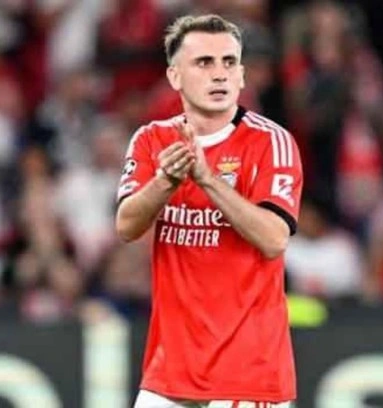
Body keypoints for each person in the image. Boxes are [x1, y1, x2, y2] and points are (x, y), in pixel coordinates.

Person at [115, 14, 303, 408]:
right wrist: (166, 182)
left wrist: (208, 180)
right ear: (175, 76)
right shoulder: (152, 139)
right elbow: (127, 226)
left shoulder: (271, 142)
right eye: (204, 62)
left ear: (242, 76)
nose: (219, 74)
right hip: (170, 373)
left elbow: (274, 239)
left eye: (229, 62)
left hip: (248, 374)